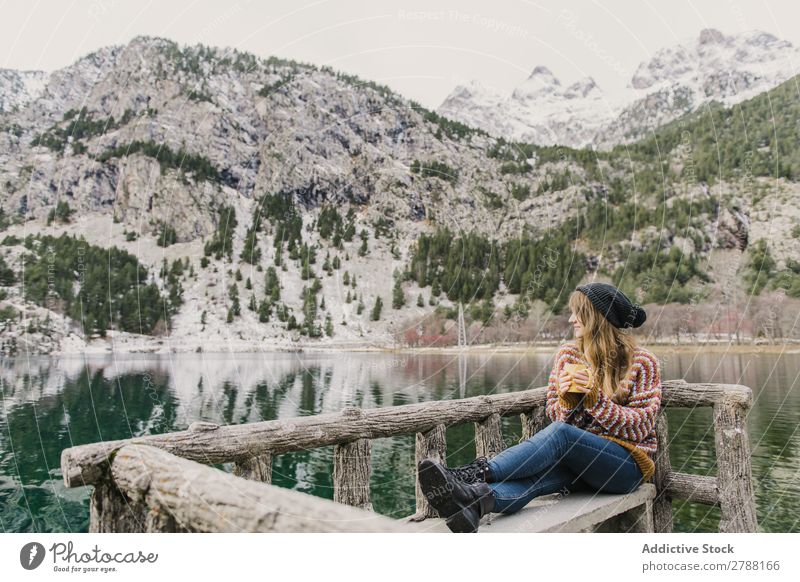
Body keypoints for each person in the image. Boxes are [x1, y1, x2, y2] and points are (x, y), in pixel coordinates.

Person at [418, 282, 662, 533]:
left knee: (560, 434)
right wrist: (568, 402)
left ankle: (469, 475)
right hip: (579, 463)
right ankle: (474, 503)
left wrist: (595, 401)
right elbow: (558, 415)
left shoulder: (642, 362)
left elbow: (640, 427)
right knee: (536, 479)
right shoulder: (568, 355)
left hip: (626, 467)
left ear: (598, 317)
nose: (571, 319)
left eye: (578, 313)